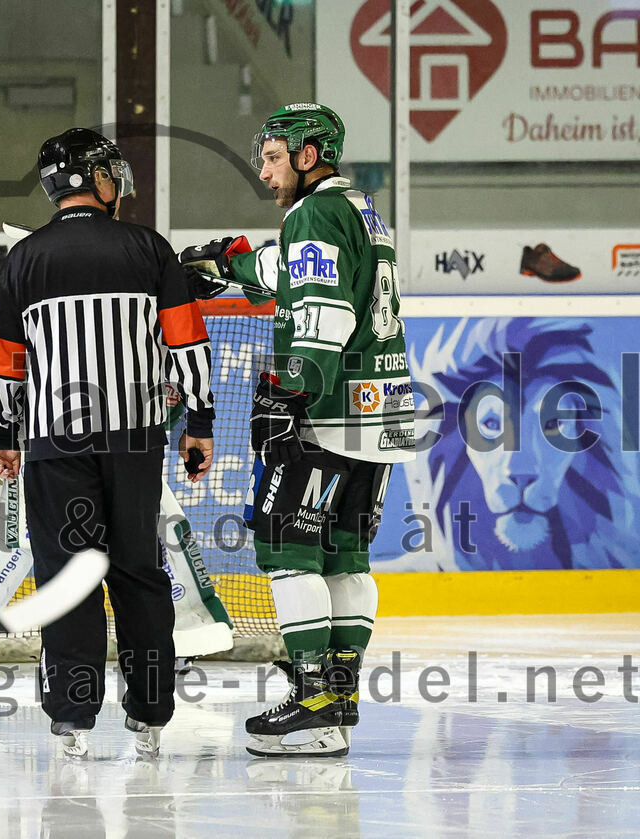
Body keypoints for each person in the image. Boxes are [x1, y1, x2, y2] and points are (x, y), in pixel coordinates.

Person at [180, 103, 415, 757]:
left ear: (310, 155)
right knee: (346, 557)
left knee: (288, 551)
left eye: (274, 155)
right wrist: (233, 264)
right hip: (379, 412)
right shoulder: (360, 209)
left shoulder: (315, 214)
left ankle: (312, 698)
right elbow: (298, 272)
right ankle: (338, 697)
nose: (264, 167)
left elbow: (323, 308)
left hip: (327, 413)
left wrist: (291, 392)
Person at [0, 127, 216, 757]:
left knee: (67, 576)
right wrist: (199, 424)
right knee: (139, 572)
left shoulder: (24, 258)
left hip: (55, 445)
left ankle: (72, 720)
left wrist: (1, 435)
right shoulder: (148, 249)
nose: (120, 182)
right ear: (94, 179)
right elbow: (187, 343)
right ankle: (151, 713)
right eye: (111, 171)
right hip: (135, 439)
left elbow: (3, 362)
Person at [0, 379, 234, 680]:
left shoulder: (165, 374)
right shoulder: (70, 347)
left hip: (72, 442)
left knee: (142, 521)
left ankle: (178, 632)